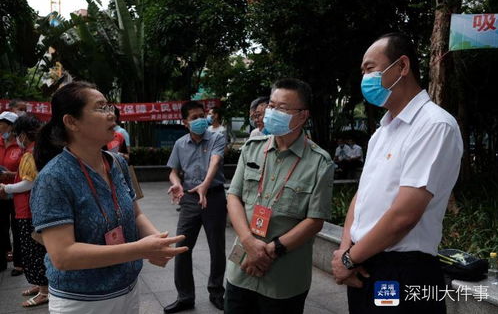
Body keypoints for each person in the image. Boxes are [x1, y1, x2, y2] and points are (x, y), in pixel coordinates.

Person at [331, 33, 463, 314]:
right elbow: (362, 195)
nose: (365, 78)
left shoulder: (434, 125)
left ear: (402, 66)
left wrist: (348, 260)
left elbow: (404, 215)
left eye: (370, 68)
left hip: (403, 270)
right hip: (363, 262)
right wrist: (346, 250)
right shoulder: (382, 131)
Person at [30, 81, 188, 314]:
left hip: (127, 289)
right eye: (100, 107)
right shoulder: (53, 178)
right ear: (71, 122)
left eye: (109, 106)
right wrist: (141, 249)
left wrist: (158, 242)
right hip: (81, 301)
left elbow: (136, 214)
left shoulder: (118, 163)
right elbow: (63, 256)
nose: (110, 113)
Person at [225, 78, 334, 314]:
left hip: (284, 277)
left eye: (282, 108)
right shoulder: (252, 147)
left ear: (303, 116)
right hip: (240, 267)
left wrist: (268, 251)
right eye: (271, 106)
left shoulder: (319, 162)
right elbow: (234, 197)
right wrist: (248, 242)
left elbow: (314, 221)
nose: (272, 113)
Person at [164, 101, 227, 313]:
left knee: (217, 247)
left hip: (214, 197)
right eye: (194, 117)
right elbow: (173, 171)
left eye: (202, 115)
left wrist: (205, 186)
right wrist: (176, 183)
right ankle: (185, 296)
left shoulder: (217, 137)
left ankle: (216, 292)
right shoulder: (180, 144)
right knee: (182, 247)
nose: (200, 120)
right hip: (190, 199)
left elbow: (215, 162)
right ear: (185, 122)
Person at [0, 115, 48, 307]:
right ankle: (40, 284)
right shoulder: (36, 150)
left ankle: (44, 291)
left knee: (34, 250)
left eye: (16, 134)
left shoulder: (30, 153)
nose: (15, 138)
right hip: (27, 208)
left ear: (23, 134)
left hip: (28, 209)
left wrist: (6, 188)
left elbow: (30, 182)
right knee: (34, 250)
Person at [0, 111, 23, 276]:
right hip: (0, 191)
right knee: (1, 226)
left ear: (11, 126)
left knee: (17, 227)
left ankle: (19, 263)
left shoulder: (21, 145)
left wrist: (10, 175)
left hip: (17, 192)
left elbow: (28, 174)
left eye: (2, 123)